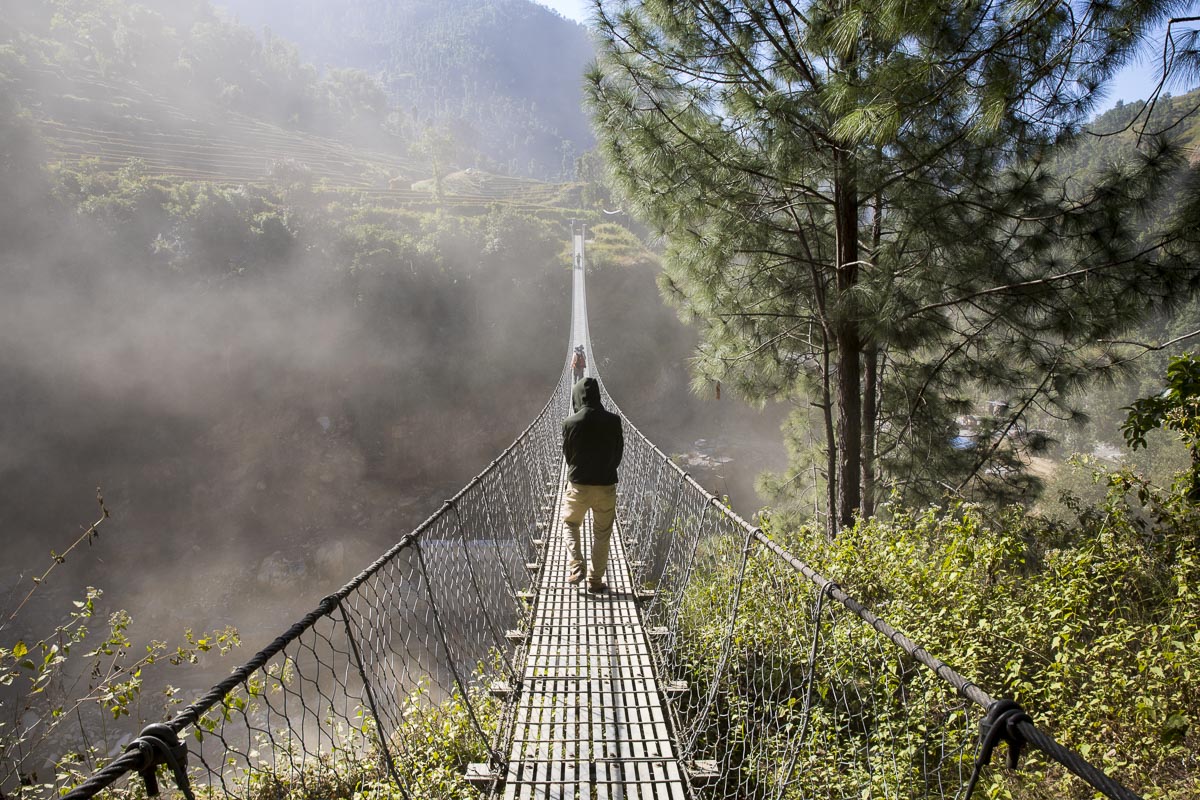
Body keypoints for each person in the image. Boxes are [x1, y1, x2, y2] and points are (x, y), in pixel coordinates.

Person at [561, 377, 623, 593]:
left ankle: (577, 565)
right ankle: (595, 581)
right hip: (606, 486)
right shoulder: (614, 421)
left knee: (570, 524)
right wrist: (605, 470)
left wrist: (580, 471)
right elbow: (618, 455)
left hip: (578, 486)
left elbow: (568, 456)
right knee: (602, 534)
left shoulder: (569, 423)